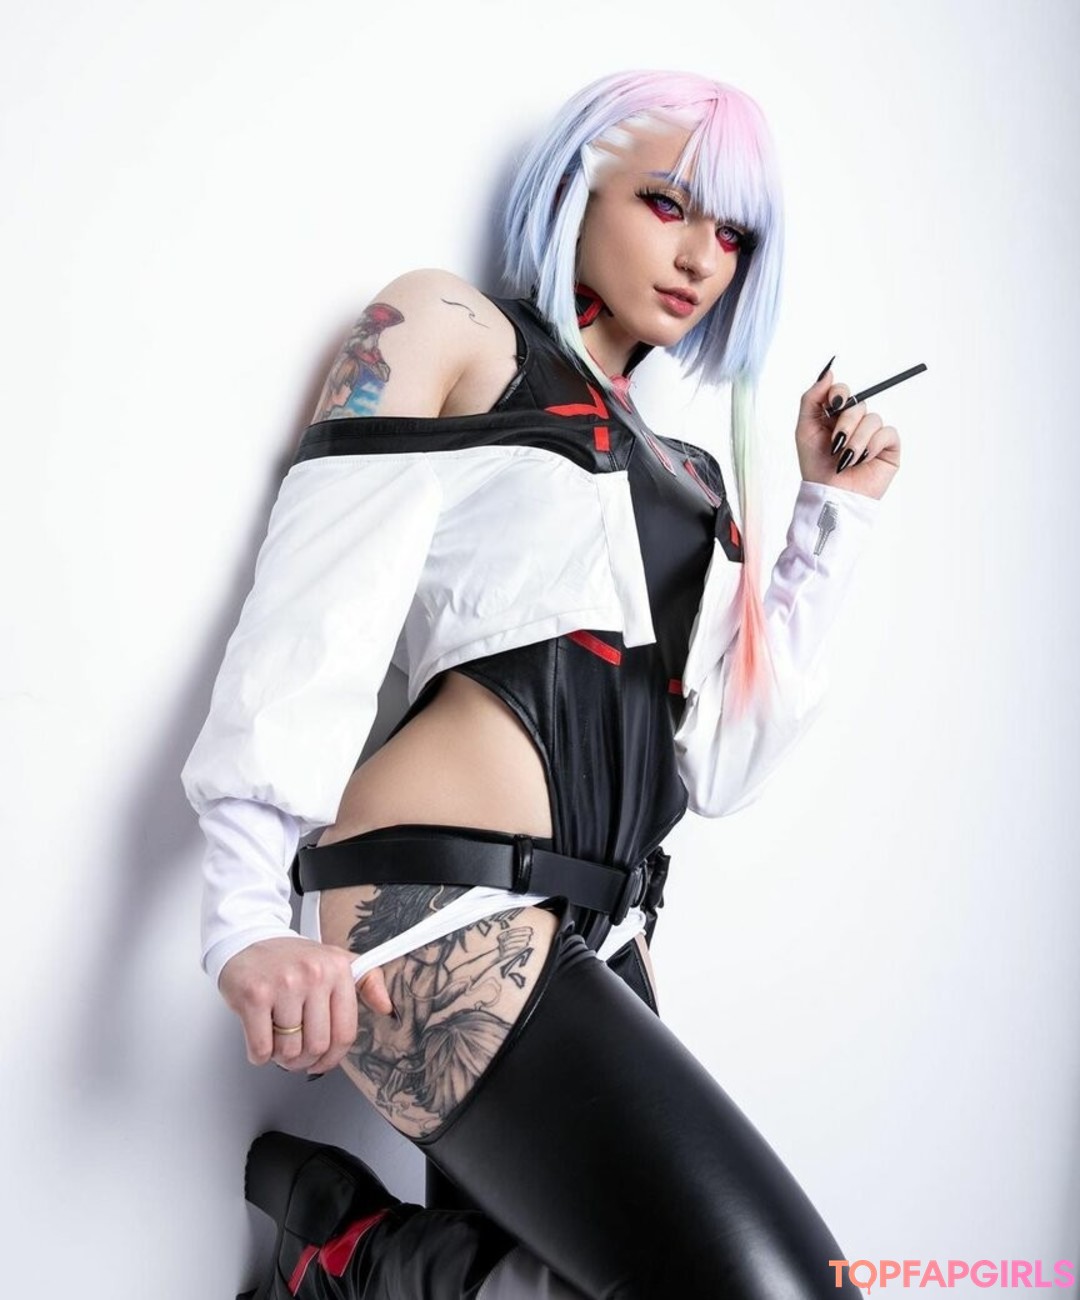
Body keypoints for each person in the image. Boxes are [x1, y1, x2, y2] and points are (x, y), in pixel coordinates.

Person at [181, 69, 899, 1299]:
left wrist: (830, 516)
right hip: (440, 911)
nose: (702, 258)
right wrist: (242, 913)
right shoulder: (451, 330)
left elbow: (722, 765)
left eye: (734, 234)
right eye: (667, 204)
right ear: (576, 186)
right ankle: (364, 1256)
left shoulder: (694, 474)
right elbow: (313, 617)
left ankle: (352, 1257)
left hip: (606, 942)